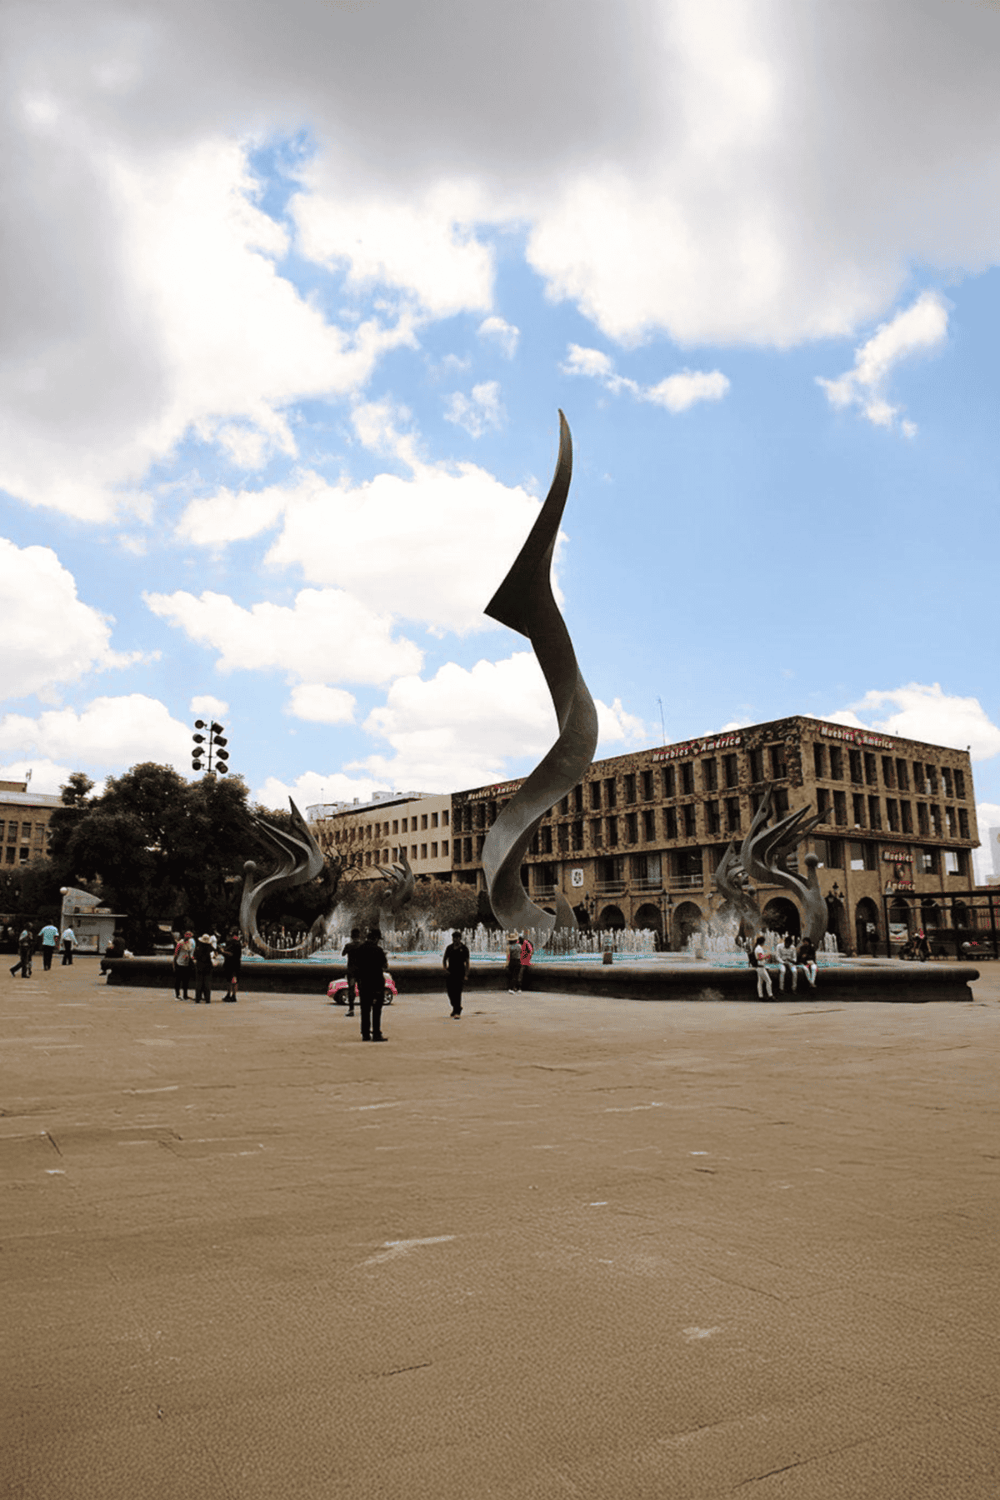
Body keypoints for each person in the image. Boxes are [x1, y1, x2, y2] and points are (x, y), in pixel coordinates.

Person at [353, 927, 389, 1041]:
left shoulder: (360, 949)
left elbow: (355, 966)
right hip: (376, 982)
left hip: (364, 983)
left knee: (365, 1009)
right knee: (377, 1009)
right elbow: (385, 966)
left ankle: (365, 1034)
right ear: (376, 938)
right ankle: (376, 1033)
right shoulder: (378, 950)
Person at [442, 930, 470, 1017]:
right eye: (453, 938)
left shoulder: (464, 949)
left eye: (457, 938)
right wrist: (445, 968)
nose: (455, 940)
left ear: (460, 939)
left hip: (460, 973)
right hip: (450, 972)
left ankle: (457, 1011)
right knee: (450, 992)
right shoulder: (449, 948)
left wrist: (466, 974)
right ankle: (456, 1007)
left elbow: (467, 962)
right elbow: (444, 959)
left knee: (457, 992)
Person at [340, 927, 362, 1017]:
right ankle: (364, 1009)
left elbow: (343, 954)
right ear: (359, 935)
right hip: (361, 972)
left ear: (351, 936)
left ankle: (351, 1009)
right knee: (362, 990)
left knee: (351, 990)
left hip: (351, 971)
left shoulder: (349, 946)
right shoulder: (363, 945)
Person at [192, 933, 215, 1004]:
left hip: (199, 966)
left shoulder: (199, 948)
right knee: (207, 983)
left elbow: (194, 956)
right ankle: (207, 998)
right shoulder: (209, 947)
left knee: (199, 983)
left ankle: (198, 998)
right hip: (208, 966)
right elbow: (215, 951)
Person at [173, 931, 195, 999]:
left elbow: (190, 953)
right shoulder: (180, 943)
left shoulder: (190, 943)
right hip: (179, 963)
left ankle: (185, 995)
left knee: (186, 980)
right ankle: (177, 995)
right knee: (178, 980)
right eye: (187, 935)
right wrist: (174, 963)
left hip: (186, 963)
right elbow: (176, 953)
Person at [752, 933, 773, 999]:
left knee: (760, 982)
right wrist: (767, 955)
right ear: (762, 942)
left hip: (760, 966)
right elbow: (759, 958)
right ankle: (770, 995)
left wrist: (766, 957)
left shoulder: (758, 948)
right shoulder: (759, 949)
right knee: (769, 981)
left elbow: (760, 957)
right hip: (761, 967)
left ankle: (761, 996)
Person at [221, 931, 242, 1001]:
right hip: (236, 964)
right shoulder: (238, 943)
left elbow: (230, 954)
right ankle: (233, 995)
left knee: (229, 980)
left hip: (230, 964)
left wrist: (222, 952)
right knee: (234, 980)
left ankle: (229, 994)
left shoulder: (232, 943)